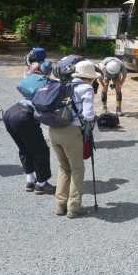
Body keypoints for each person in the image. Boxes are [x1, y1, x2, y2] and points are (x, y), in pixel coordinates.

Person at [50, 60, 99, 219]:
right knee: (77, 169)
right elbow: (89, 115)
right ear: (89, 77)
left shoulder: (62, 84)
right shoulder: (86, 88)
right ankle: (74, 207)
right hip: (71, 132)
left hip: (53, 130)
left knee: (64, 167)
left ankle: (60, 204)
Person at [3, 61, 55, 195]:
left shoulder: (31, 78)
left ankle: (30, 180)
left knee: (24, 148)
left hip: (10, 113)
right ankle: (41, 183)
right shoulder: (49, 84)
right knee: (41, 150)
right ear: (49, 72)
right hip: (25, 116)